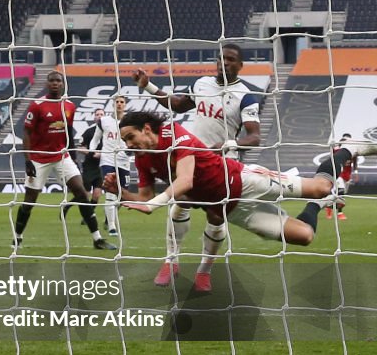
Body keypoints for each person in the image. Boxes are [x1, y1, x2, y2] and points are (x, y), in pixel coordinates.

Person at [106, 110, 377, 291]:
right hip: (233, 209)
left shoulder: (174, 134)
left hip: (245, 181)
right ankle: (317, 207)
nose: (129, 144)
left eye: (131, 137)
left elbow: (185, 180)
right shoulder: (143, 159)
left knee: (320, 187)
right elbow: (143, 198)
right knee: (305, 236)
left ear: (146, 129)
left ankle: (347, 149)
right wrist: (121, 194)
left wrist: (154, 204)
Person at [131, 44, 263, 285]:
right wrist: (149, 86)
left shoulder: (246, 96)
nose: (224, 62)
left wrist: (227, 144)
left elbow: (254, 136)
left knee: (216, 217)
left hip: (223, 162)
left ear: (241, 65)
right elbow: (178, 104)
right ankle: (171, 262)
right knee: (181, 202)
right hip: (191, 158)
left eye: (231, 59)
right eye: (221, 58)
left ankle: (204, 271)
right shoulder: (202, 83)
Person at [14, 71, 116, 251]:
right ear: (47, 83)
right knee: (30, 200)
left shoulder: (69, 105)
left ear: (62, 84)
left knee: (82, 194)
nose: (55, 83)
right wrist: (28, 160)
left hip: (62, 156)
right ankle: (17, 237)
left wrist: (73, 158)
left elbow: (68, 131)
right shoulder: (37, 105)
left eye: (58, 81)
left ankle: (97, 239)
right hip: (39, 159)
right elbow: (27, 133)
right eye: (52, 80)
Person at [90, 95, 130, 236]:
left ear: (125, 104)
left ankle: (109, 219)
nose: (119, 104)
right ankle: (112, 226)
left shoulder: (130, 121)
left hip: (124, 161)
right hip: (107, 160)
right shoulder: (104, 121)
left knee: (122, 195)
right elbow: (95, 139)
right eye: (117, 102)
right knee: (110, 193)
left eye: (122, 102)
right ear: (112, 104)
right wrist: (93, 150)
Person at [327, 134, 357, 220]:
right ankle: (340, 213)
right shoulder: (337, 151)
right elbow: (331, 157)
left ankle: (328, 206)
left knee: (342, 193)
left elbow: (355, 162)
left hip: (347, 175)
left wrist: (355, 172)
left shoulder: (353, 152)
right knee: (341, 192)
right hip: (338, 174)